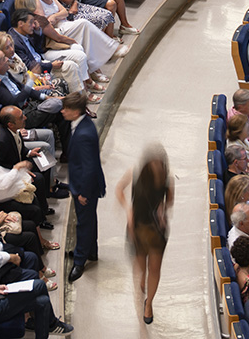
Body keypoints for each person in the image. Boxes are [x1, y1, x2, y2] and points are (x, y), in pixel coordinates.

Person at [114, 145, 173, 324]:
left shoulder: (167, 180)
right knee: (140, 266)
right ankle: (142, 279)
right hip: (137, 226)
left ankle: (149, 304)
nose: (156, 167)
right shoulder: (135, 173)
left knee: (155, 268)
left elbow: (169, 200)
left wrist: (164, 207)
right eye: (153, 163)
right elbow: (119, 189)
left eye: (159, 164)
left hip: (157, 228)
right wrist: (128, 210)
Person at [64, 92, 105, 282]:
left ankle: (80, 261)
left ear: (75, 111)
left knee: (83, 223)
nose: (63, 111)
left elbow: (89, 168)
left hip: (85, 188)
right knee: (89, 220)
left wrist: (82, 193)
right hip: (83, 184)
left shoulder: (84, 135)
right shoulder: (82, 125)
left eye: (66, 109)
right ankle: (91, 251)